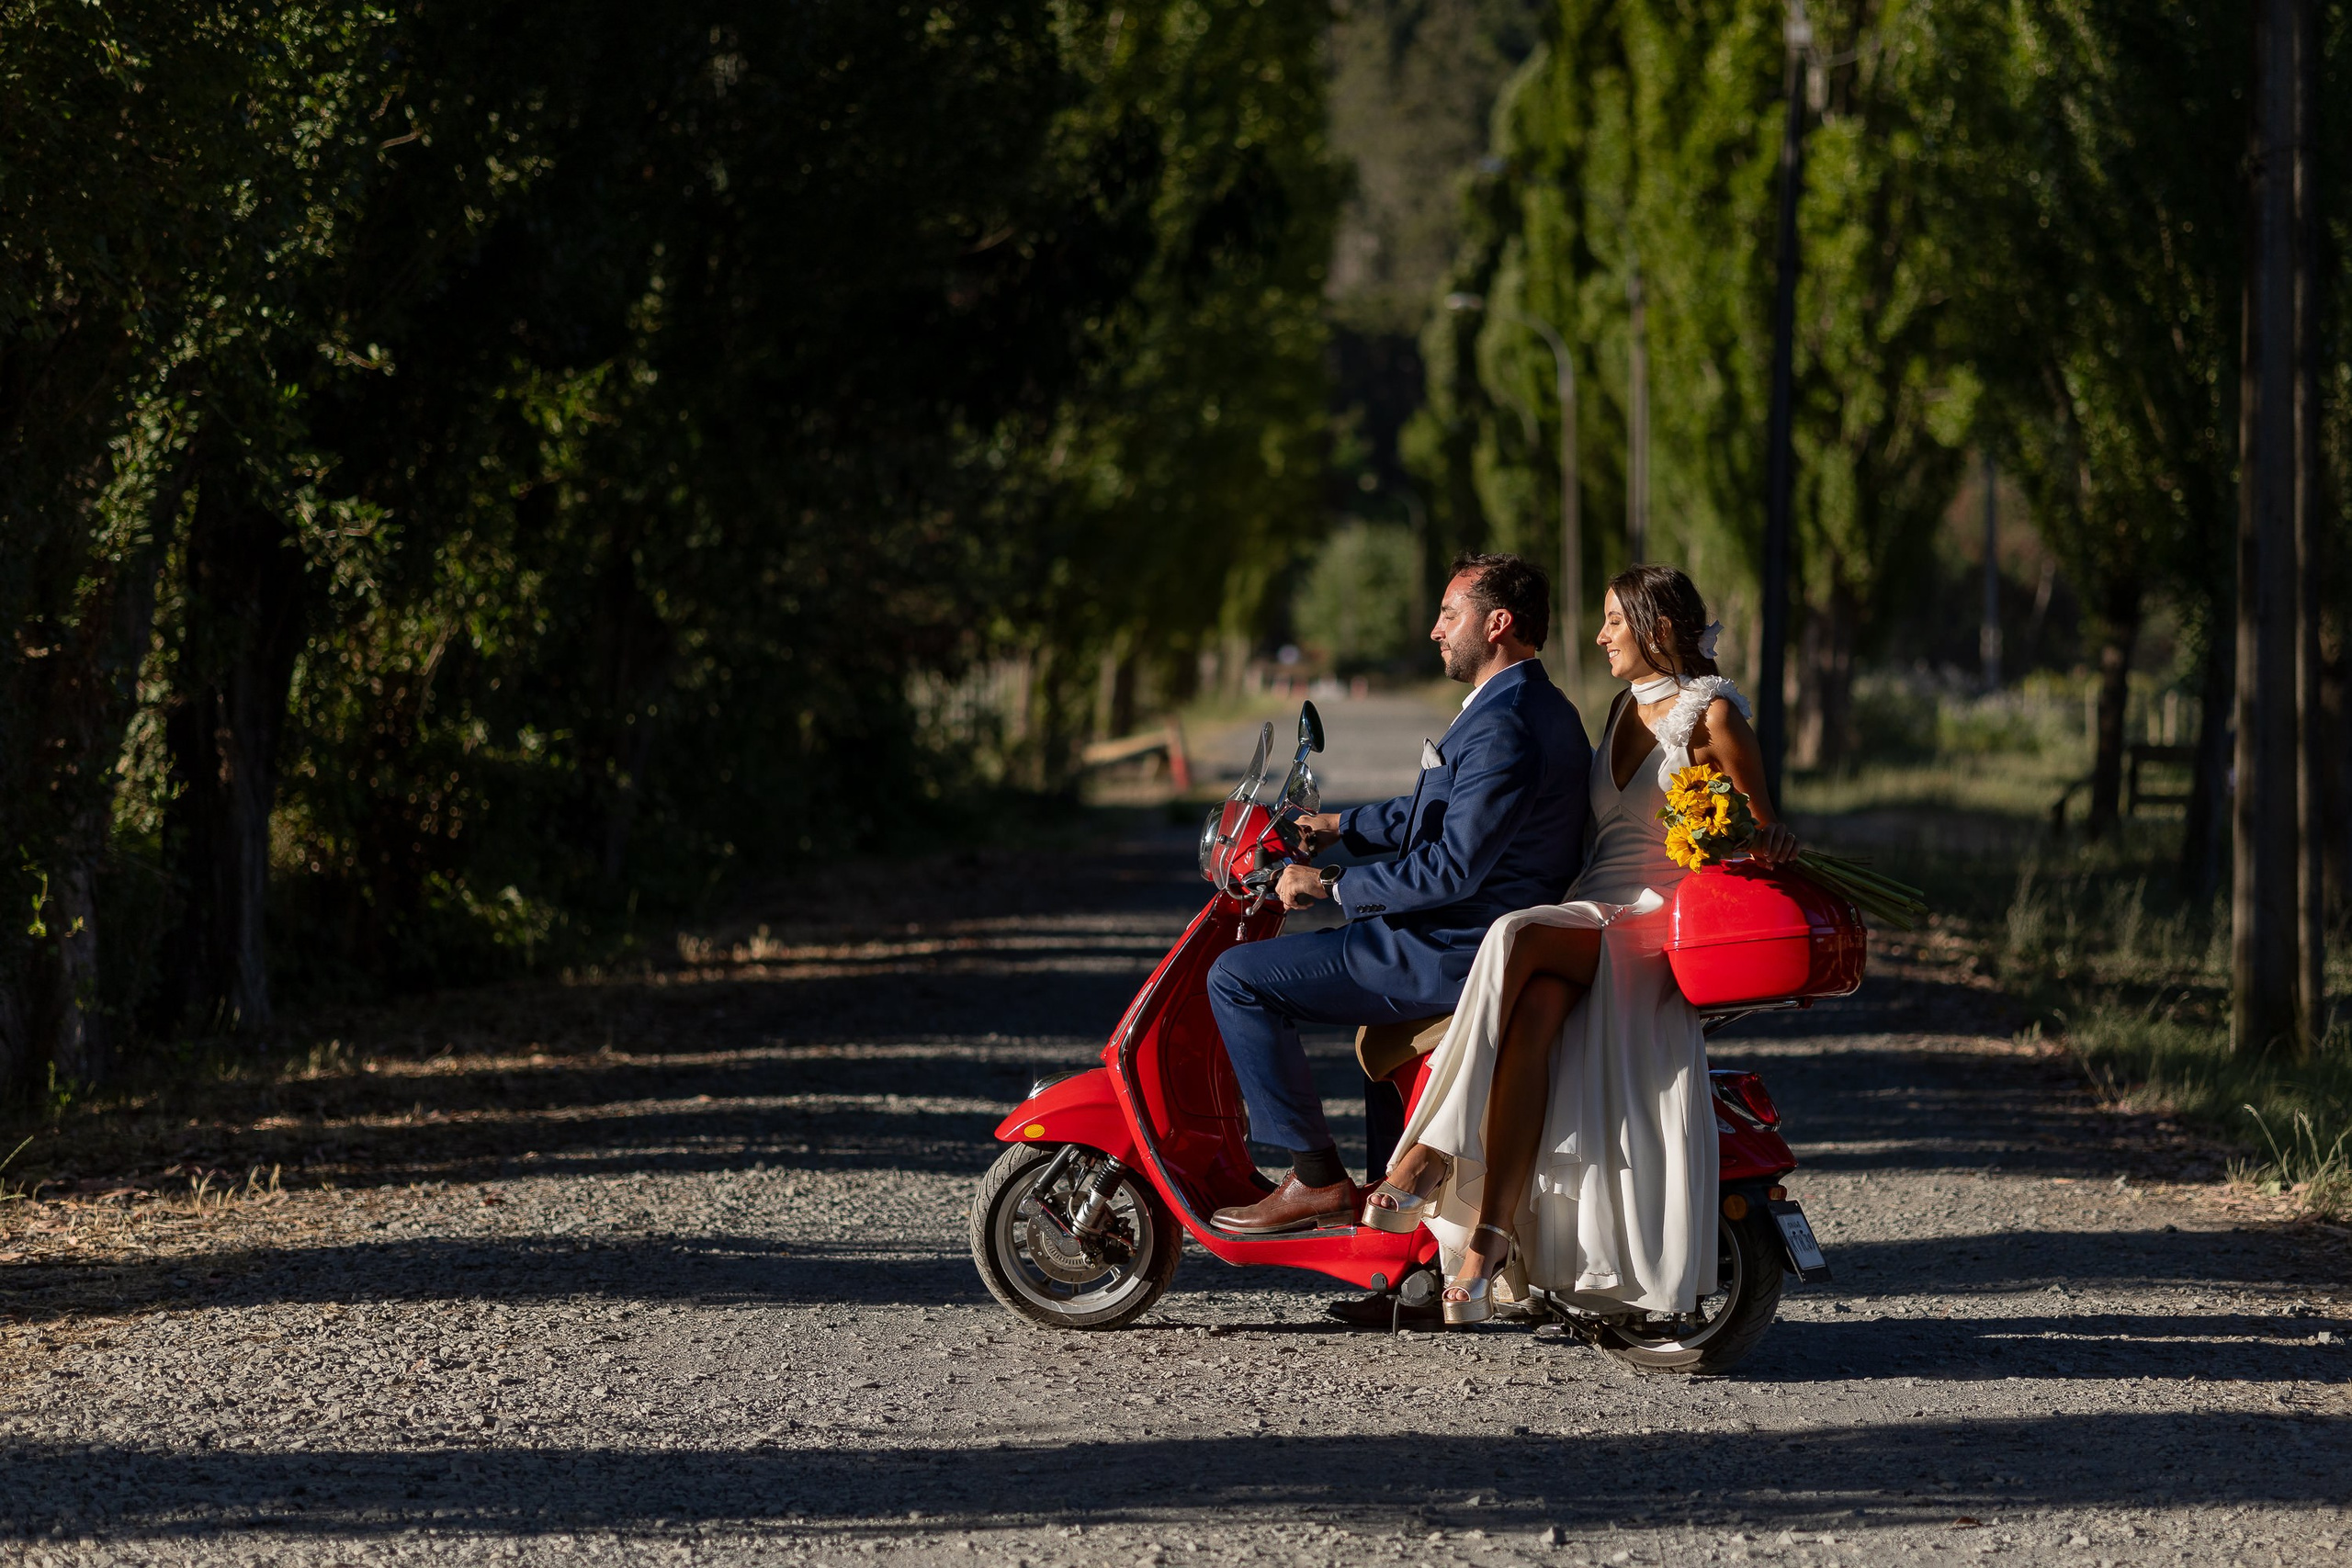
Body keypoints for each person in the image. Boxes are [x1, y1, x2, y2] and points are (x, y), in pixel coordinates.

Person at [1365, 564, 1798, 1324]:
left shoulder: (1714, 715)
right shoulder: (1618, 708)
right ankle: (1488, 1242)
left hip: (1650, 918)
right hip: (1587, 908)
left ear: (1656, 629)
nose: (1599, 636)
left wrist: (1761, 839)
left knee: (1513, 932)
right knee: (1528, 1016)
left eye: (1612, 622)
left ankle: (1429, 1150)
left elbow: (1762, 832)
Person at [1203, 553, 1592, 1237]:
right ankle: (1399, 1257)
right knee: (1375, 1052)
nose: (1437, 630)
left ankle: (1314, 1179)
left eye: (1450, 614)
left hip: (1450, 946)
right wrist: (1338, 825)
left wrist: (1329, 884)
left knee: (1236, 978)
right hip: (1459, 933)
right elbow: (1438, 809)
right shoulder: (1520, 704)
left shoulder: (1509, 723)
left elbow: (1452, 869)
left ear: (1497, 623)